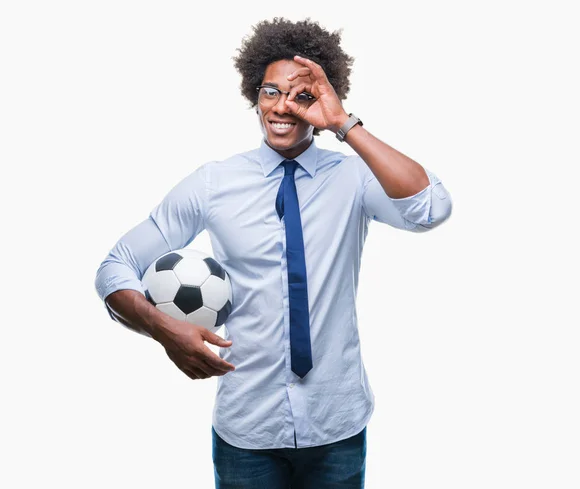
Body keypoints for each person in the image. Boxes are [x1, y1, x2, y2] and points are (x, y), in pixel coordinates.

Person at [94, 17, 452, 489]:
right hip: (249, 427)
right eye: (269, 92)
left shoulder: (354, 178)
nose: (282, 106)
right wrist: (164, 329)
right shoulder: (214, 183)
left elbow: (430, 209)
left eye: (302, 95)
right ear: (253, 95)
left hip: (337, 424)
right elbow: (115, 265)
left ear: (324, 98)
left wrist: (345, 124)